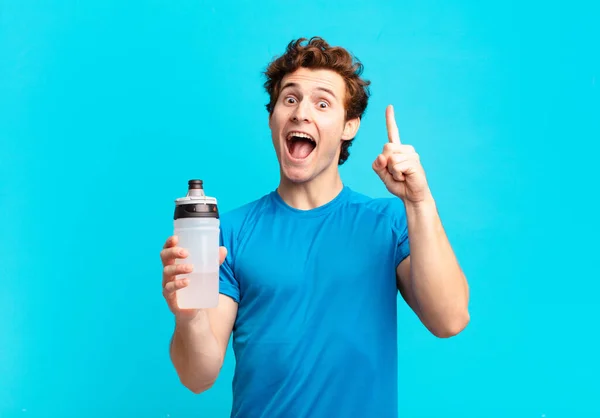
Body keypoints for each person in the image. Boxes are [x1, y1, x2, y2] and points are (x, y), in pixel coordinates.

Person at [160, 37, 470, 418]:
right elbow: (198, 377)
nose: (301, 113)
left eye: (322, 103)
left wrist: (419, 202)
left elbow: (450, 319)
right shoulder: (229, 233)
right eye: (289, 99)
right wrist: (188, 316)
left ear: (349, 126)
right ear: (273, 116)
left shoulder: (389, 223)